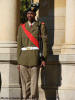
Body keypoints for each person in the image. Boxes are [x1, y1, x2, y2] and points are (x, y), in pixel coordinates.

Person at [17, 3, 48, 100]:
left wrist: (43, 58)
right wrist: (18, 61)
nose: (29, 15)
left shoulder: (40, 26)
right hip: (23, 59)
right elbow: (19, 45)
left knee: (34, 84)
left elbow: (44, 43)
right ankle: (25, 98)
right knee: (25, 83)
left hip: (35, 58)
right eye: (28, 13)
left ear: (35, 15)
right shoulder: (21, 27)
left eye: (31, 13)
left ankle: (33, 98)